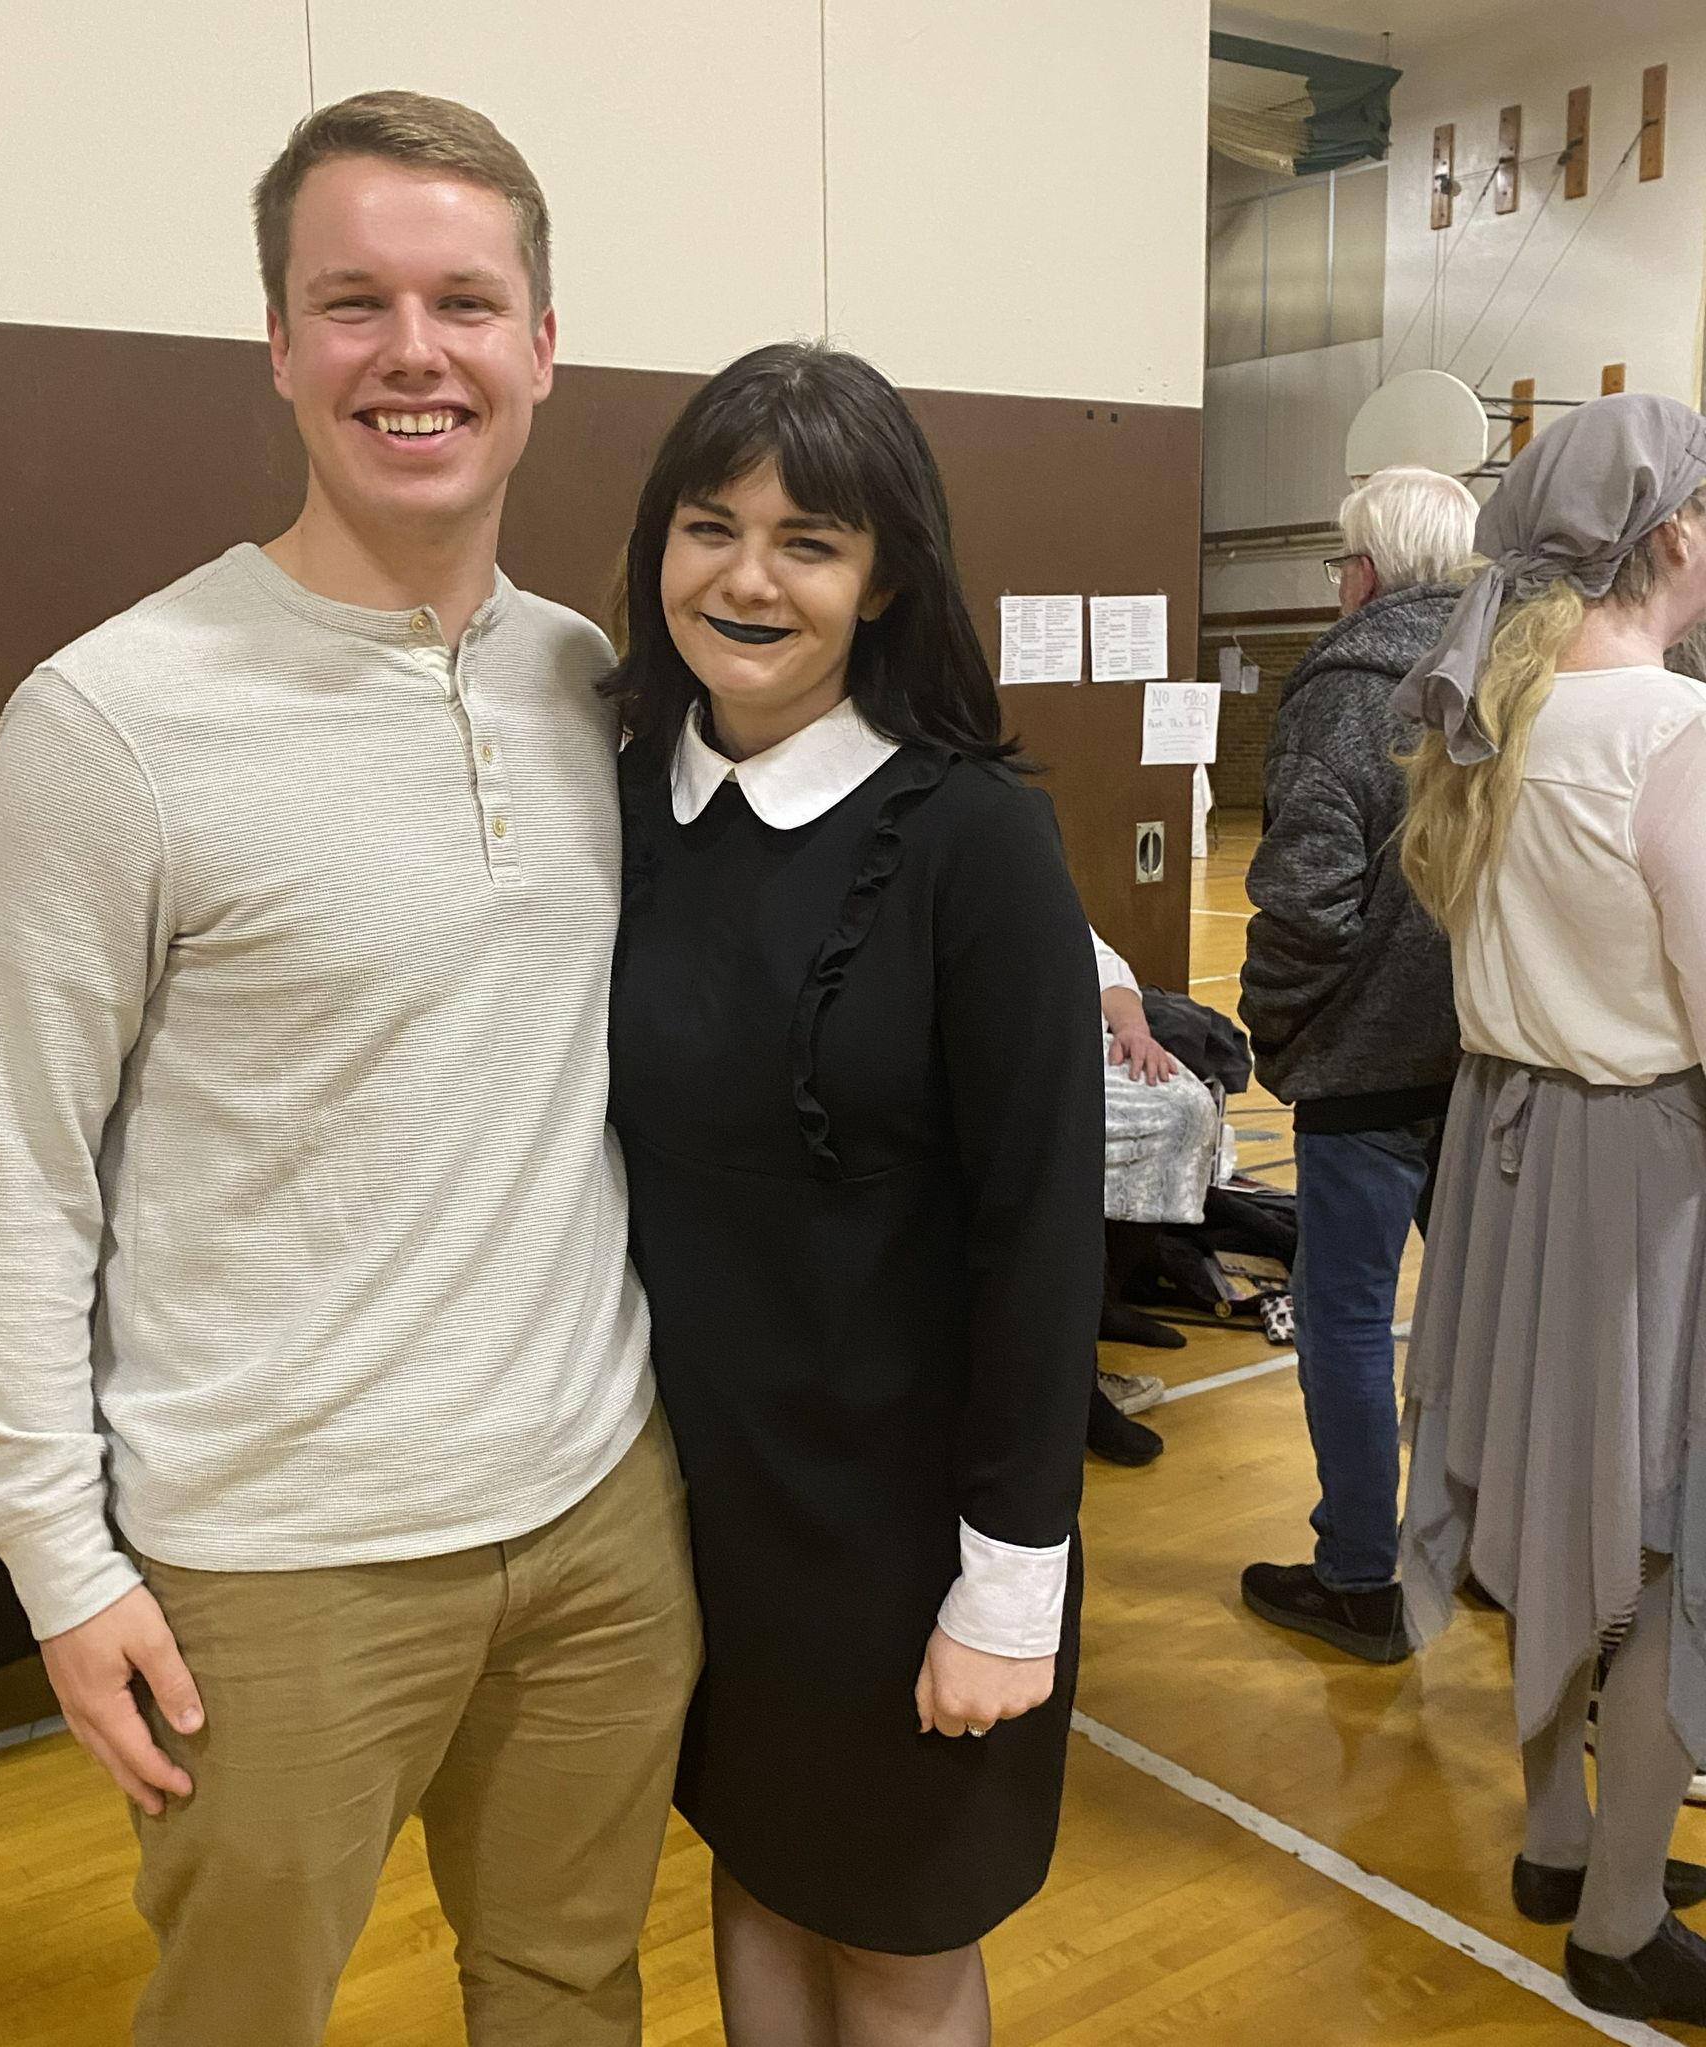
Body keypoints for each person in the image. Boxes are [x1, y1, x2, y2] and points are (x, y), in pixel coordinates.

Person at [0, 92, 700, 2047]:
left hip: (602, 1512)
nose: (410, 350)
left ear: (541, 344)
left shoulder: (593, 683)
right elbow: (5, 1168)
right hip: (272, 1565)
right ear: (276, 346)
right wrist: (58, 1562)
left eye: (462, 299)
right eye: (351, 302)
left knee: (566, 1989)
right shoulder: (112, 721)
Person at [604, 342, 1101, 2047]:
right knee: (756, 1872)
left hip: (915, 1531)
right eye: (707, 524)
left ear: (881, 575)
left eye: (806, 540)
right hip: (711, 1515)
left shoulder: (970, 836)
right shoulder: (630, 800)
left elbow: (1042, 1231)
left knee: (897, 1938)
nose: (745, 577)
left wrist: (1005, 1587)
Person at [1395, 392, 1706, 2022]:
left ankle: (1559, 1834)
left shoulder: (1491, 714)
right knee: (1658, 1556)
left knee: (1547, 1511)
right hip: (1639, 1164)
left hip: (1502, 1144)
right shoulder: (1671, 732)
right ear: (1667, 538)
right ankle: (1616, 1912)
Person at [1237, 465, 1475, 1663]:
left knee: (1342, 1320)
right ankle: (1477, 1554)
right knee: (1477, 1323)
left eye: (1340, 561)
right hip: (1484, 1058)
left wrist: (1272, 1027)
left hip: (1363, 1068)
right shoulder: (1520, 675)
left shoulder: (1345, 691)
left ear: (1366, 570)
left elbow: (1305, 899)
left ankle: (1357, 1575)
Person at [1091, 926, 1227, 1466]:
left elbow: (1101, 961)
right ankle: (1075, 1390)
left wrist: (1133, 1030)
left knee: (1184, 1108)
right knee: (1061, 1147)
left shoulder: (1025, 860)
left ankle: (1107, 1297)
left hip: (1059, 1041)